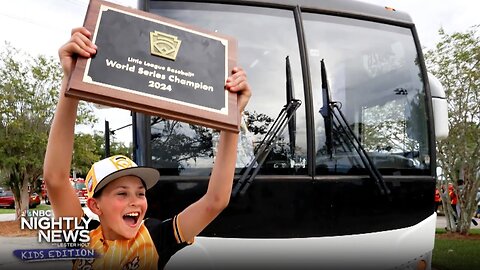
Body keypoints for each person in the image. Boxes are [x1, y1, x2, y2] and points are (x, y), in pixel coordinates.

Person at [43, 27, 251, 269]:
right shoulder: (81, 236)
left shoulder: (155, 237)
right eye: (122, 193)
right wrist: (71, 82)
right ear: (94, 206)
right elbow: (55, 178)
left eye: (140, 193)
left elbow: (215, 200)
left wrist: (231, 118)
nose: (135, 201)